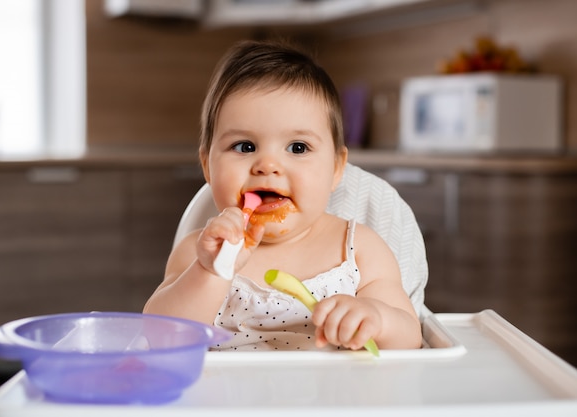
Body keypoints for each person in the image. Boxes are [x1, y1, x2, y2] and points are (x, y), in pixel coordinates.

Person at [144, 39, 422, 352]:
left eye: (298, 147)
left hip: (334, 398)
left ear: (336, 168)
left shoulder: (360, 251)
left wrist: (376, 319)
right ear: (208, 166)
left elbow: (410, 337)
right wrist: (210, 272)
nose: (268, 165)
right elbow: (159, 338)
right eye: (245, 146)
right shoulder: (198, 254)